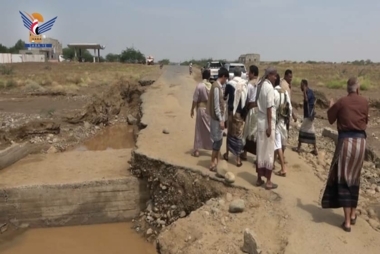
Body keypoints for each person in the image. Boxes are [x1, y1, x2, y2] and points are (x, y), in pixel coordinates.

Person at [321, 77, 369, 232]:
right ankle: (353, 214)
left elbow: (330, 119)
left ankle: (347, 221)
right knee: (355, 177)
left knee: (344, 179)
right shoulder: (365, 102)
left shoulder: (341, 102)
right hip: (361, 143)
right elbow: (365, 121)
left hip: (346, 143)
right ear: (358, 89)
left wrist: (331, 106)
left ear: (347, 89)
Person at [255, 67, 277, 190]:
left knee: (260, 150)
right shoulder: (269, 88)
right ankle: (268, 181)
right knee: (268, 152)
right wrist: (269, 126)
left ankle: (259, 178)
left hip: (261, 122)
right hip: (267, 123)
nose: (276, 77)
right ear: (269, 75)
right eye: (274, 75)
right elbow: (269, 108)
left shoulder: (262, 85)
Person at [223, 67, 248, 167]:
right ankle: (238, 159)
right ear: (241, 74)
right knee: (238, 135)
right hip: (241, 114)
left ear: (233, 75)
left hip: (231, 113)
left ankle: (227, 154)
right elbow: (246, 99)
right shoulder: (245, 84)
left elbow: (225, 96)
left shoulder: (230, 84)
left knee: (230, 133)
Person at [206, 67, 229, 172]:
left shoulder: (218, 87)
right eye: (226, 78)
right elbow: (216, 106)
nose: (226, 81)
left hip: (218, 119)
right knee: (217, 141)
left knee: (219, 141)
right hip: (216, 120)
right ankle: (212, 162)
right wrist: (221, 120)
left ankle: (218, 161)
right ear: (223, 76)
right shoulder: (216, 87)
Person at [273, 73, 292, 177]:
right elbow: (290, 108)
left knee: (277, 145)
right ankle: (272, 164)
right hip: (283, 122)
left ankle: (283, 168)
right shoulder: (285, 93)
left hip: (276, 123)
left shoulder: (274, 93)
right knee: (278, 143)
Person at [190, 69, 213, 157]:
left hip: (201, 109)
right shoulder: (211, 86)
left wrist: (192, 109)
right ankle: (214, 147)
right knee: (209, 128)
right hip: (209, 110)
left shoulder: (199, 86)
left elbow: (195, 99)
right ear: (209, 76)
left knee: (199, 129)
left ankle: (196, 150)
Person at [293, 79, 318, 155]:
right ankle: (315, 149)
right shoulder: (310, 92)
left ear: (304, 85)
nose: (300, 87)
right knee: (311, 131)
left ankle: (299, 147)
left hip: (309, 115)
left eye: (301, 85)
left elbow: (306, 100)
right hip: (309, 115)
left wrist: (304, 91)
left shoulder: (309, 92)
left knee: (302, 130)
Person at [241, 65, 259, 161]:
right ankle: (257, 156)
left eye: (249, 72)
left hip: (251, 110)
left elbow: (246, 99)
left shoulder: (250, 85)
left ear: (252, 73)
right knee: (256, 133)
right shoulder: (260, 83)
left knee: (247, 132)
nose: (248, 74)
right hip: (259, 111)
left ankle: (244, 153)